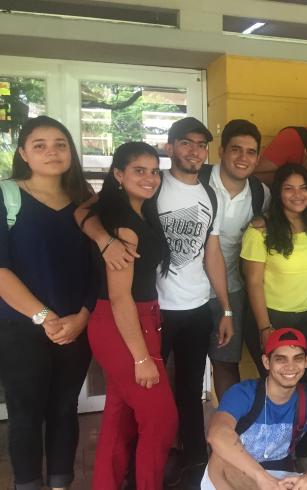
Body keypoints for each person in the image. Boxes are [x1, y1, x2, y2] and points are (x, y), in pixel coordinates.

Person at [77, 116, 235, 485]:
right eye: (186, 142)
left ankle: (190, 465)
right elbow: (83, 213)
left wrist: (225, 307)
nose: (194, 151)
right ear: (171, 147)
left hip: (187, 309)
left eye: (201, 144)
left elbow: (212, 252)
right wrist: (104, 240)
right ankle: (141, 475)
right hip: (146, 313)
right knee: (155, 413)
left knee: (161, 399)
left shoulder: (201, 194)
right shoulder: (145, 195)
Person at [0, 116, 95, 490]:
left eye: (60, 144)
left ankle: (60, 484)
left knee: (65, 409)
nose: (51, 152)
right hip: (20, 328)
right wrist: (45, 317)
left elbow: (97, 268)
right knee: (25, 414)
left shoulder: (85, 202)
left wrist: (82, 316)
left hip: (75, 327)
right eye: (39, 145)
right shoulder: (7, 196)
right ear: (23, 153)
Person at [84, 142, 178, 490]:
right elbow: (119, 296)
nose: (150, 178)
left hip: (138, 320)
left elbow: (82, 211)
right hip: (122, 323)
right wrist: (141, 358)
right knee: (161, 420)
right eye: (139, 170)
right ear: (119, 174)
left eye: (154, 171)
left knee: (119, 416)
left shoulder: (133, 212)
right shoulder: (123, 224)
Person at [204, 328, 307, 490]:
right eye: (281, 359)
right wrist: (261, 478)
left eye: (298, 359)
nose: (290, 366)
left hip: (279, 475)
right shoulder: (243, 393)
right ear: (267, 362)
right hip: (241, 471)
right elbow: (217, 434)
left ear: (306, 361)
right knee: (221, 459)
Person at [242, 164, 307, 390]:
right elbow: (253, 282)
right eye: (289, 188)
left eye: (303, 188)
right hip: (272, 318)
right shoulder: (260, 230)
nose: (297, 194)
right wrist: (265, 328)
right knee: (280, 387)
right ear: (278, 192)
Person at [206, 119, 272, 396]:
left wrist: (266, 220)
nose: (243, 158)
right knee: (179, 363)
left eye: (251, 152)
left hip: (231, 288)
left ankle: (227, 420)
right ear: (221, 151)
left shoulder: (260, 193)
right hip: (183, 290)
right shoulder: (196, 180)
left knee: (225, 361)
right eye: (236, 149)